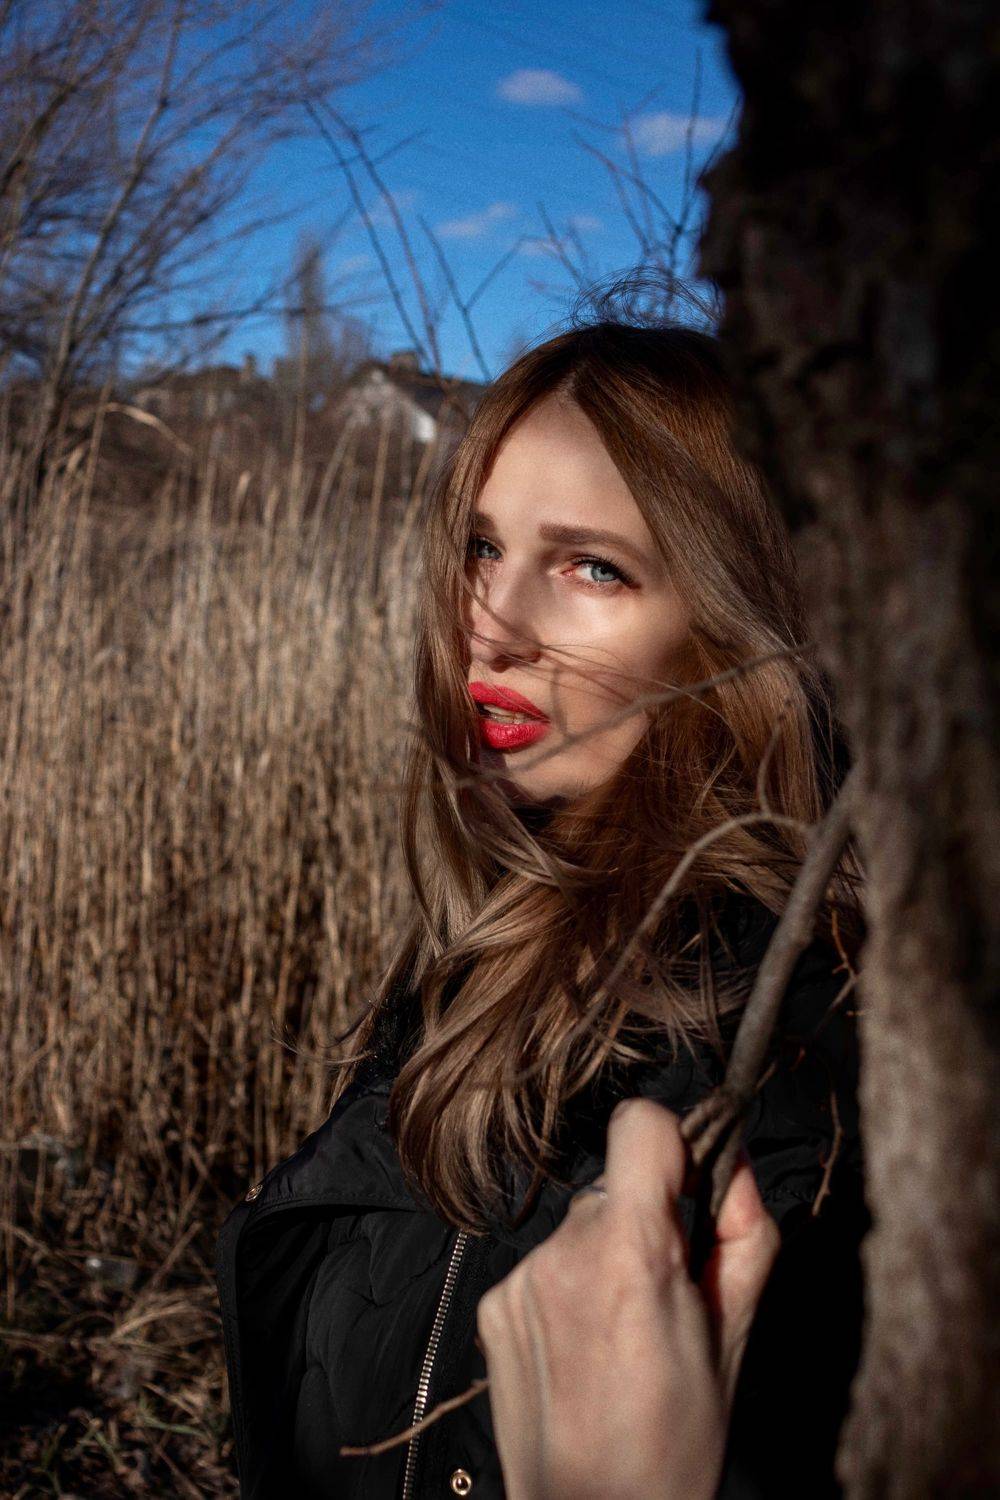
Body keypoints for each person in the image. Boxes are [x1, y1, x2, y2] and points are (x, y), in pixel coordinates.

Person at [215, 305, 869, 1500]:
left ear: (737, 623)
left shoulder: (793, 1063)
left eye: (591, 567)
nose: (492, 622)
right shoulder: (498, 942)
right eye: (480, 547)